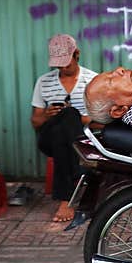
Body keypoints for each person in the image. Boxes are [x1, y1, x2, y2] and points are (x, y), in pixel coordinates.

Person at [30, 33, 98, 223]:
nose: (62, 68)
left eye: (66, 63)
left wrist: (80, 118)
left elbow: (102, 121)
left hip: (79, 139)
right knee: (65, 119)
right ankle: (79, 173)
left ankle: (65, 199)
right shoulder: (44, 82)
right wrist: (47, 115)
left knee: (70, 118)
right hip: (48, 140)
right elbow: (35, 122)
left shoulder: (92, 80)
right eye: (59, 65)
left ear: (77, 54)